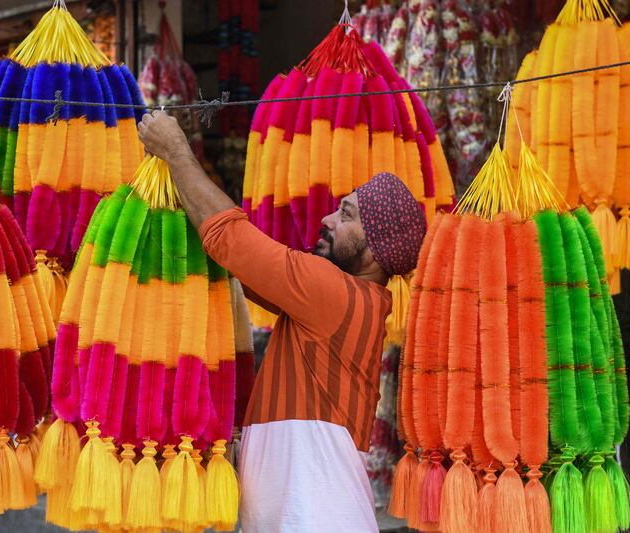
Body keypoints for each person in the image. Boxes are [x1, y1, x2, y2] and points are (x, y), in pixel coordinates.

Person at [138, 110, 427, 533]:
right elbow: (238, 261)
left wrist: (176, 151)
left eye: (346, 215)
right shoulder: (345, 301)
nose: (328, 220)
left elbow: (231, 239)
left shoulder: (336, 294)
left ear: (373, 250)